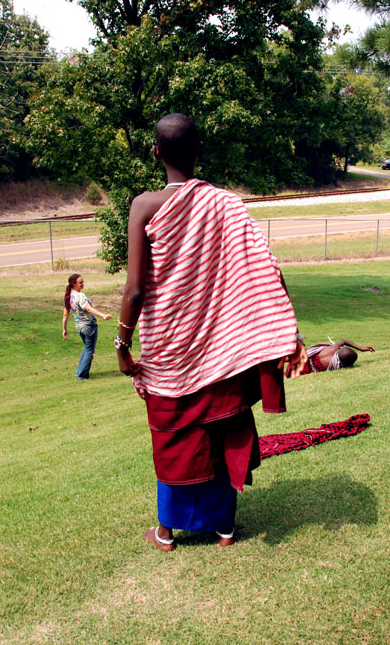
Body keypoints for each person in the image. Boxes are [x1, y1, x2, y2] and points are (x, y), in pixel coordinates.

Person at [115, 113, 307, 552]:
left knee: (176, 438)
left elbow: (135, 288)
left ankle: (167, 530)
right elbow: (265, 269)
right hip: (223, 347)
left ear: (155, 152)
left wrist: (122, 344)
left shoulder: (144, 205)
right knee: (221, 428)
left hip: (169, 347)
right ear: (199, 152)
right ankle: (223, 527)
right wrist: (285, 329)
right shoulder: (227, 203)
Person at [62, 274, 112, 380]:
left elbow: (65, 314)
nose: (83, 284)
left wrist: (64, 329)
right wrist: (102, 315)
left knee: (86, 349)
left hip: (79, 327)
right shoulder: (80, 296)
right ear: (74, 284)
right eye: (80, 282)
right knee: (89, 350)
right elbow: (88, 309)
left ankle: (80, 372)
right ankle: (81, 375)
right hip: (89, 326)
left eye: (83, 281)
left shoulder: (69, 296)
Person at [301, 338, 375, 375]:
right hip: (303, 369)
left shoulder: (334, 348)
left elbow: (344, 341)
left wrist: (361, 348)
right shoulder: (333, 363)